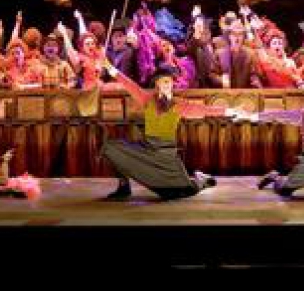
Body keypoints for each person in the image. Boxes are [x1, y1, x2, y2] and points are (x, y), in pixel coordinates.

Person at [100, 62, 235, 200]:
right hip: (148, 148)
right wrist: (109, 67)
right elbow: (129, 84)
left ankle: (201, 180)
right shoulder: (147, 99)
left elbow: (205, 110)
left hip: (166, 153)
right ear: (157, 83)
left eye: (170, 82)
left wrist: (230, 111)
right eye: (164, 81)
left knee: (182, 191)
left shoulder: (178, 104)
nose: (168, 84)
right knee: (111, 148)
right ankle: (124, 187)